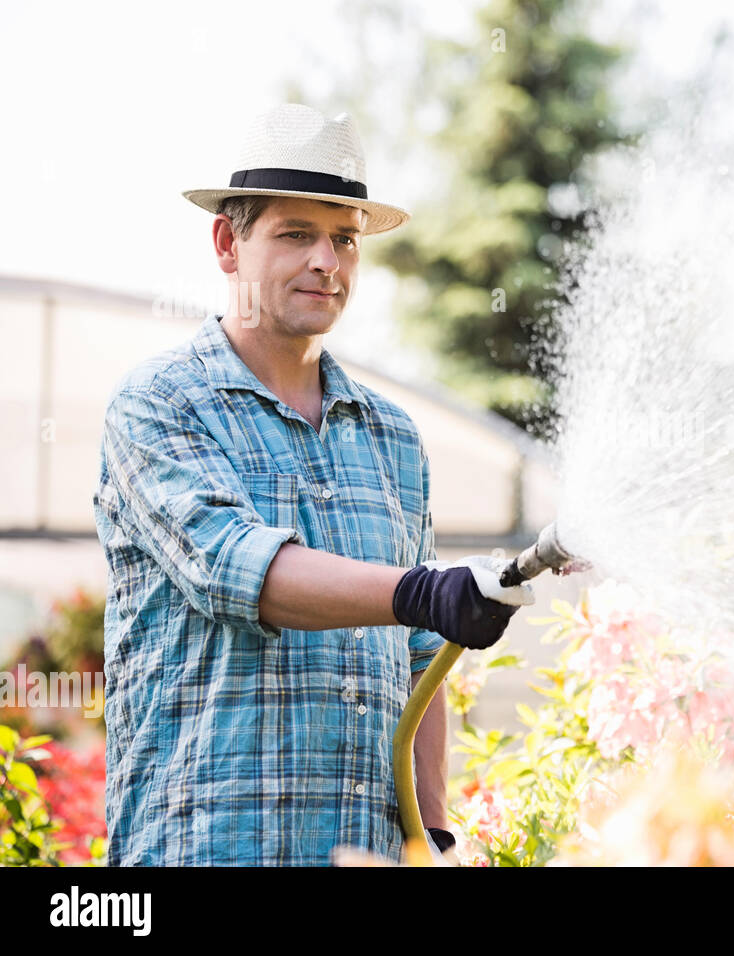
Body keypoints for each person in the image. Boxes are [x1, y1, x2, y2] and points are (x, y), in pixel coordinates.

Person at [91, 103, 533, 866]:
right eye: (296, 234)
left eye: (345, 238)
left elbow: (421, 657)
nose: (327, 261)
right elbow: (238, 572)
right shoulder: (160, 404)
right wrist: (422, 589)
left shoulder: (391, 436)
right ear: (229, 243)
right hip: (201, 849)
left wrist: (431, 836)